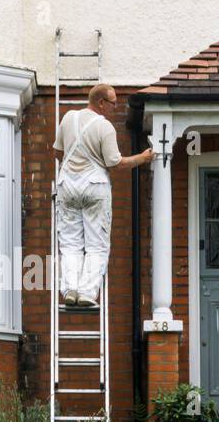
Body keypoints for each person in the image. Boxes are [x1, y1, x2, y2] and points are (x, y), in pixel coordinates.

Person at [53, 84, 154, 307]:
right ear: (101, 103)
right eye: (112, 102)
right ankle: (87, 293)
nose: (115, 107)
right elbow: (115, 163)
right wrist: (143, 158)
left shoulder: (68, 117)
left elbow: (58, 152)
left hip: (67, 185)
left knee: (69, 244)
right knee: (96, 245)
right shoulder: (104, 127)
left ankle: (70, 289)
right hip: (94, 186)